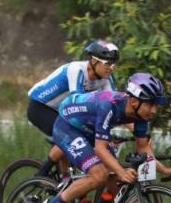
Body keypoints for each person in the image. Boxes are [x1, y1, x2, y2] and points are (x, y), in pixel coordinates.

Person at [40, 73, 171, 203]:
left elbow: (144, 150)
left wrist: (165, 170)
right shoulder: (109, 105)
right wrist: (121, 171)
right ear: (133, 101)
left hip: (89, 128)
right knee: (99, 174)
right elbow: (100, 149)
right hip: (68, 125)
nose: (154, 110)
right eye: (151, 104)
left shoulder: (141, 116)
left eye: (157, 104)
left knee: (118, 181)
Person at [27, 40, 119, 176]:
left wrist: (135, 128)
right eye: (108, 63)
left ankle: (66, 182)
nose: (111, 68)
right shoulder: (76, 70)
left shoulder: (106, 79)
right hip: (40, 107)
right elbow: (78, 102)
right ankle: (42, 172)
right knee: (71, 134)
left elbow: (115, 105)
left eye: (114, 64)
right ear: (94, 60)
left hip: (63, 110)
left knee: (79, 137)